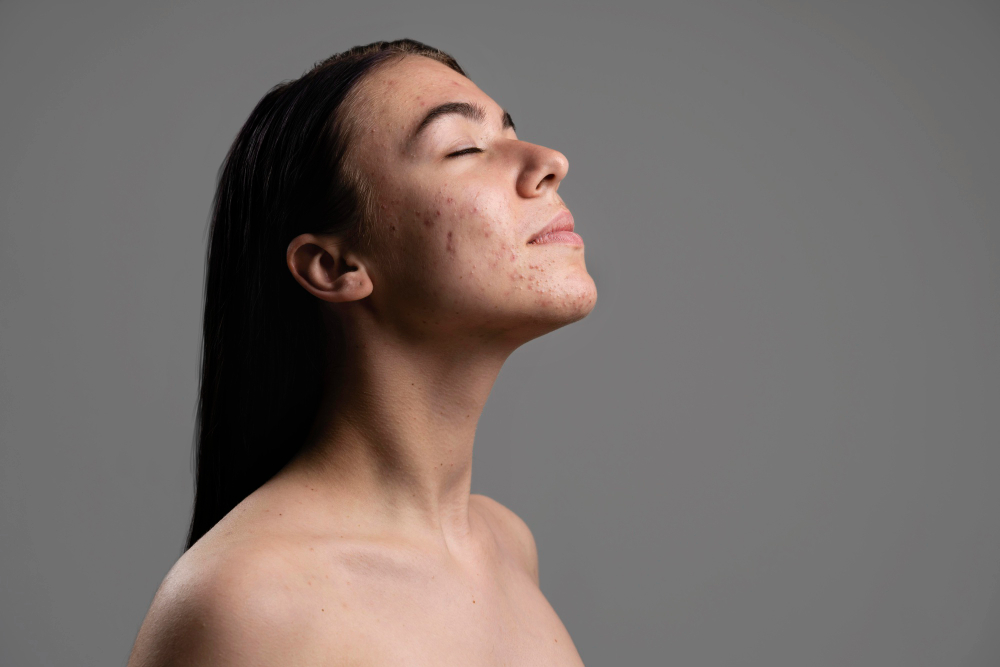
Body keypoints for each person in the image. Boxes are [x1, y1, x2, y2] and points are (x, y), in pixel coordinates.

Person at [128, 38, 596, 666]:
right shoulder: (249, 603)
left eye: (513, 131)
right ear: (334, 266)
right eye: (463, 147)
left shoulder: (508, 546)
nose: (550, 161)